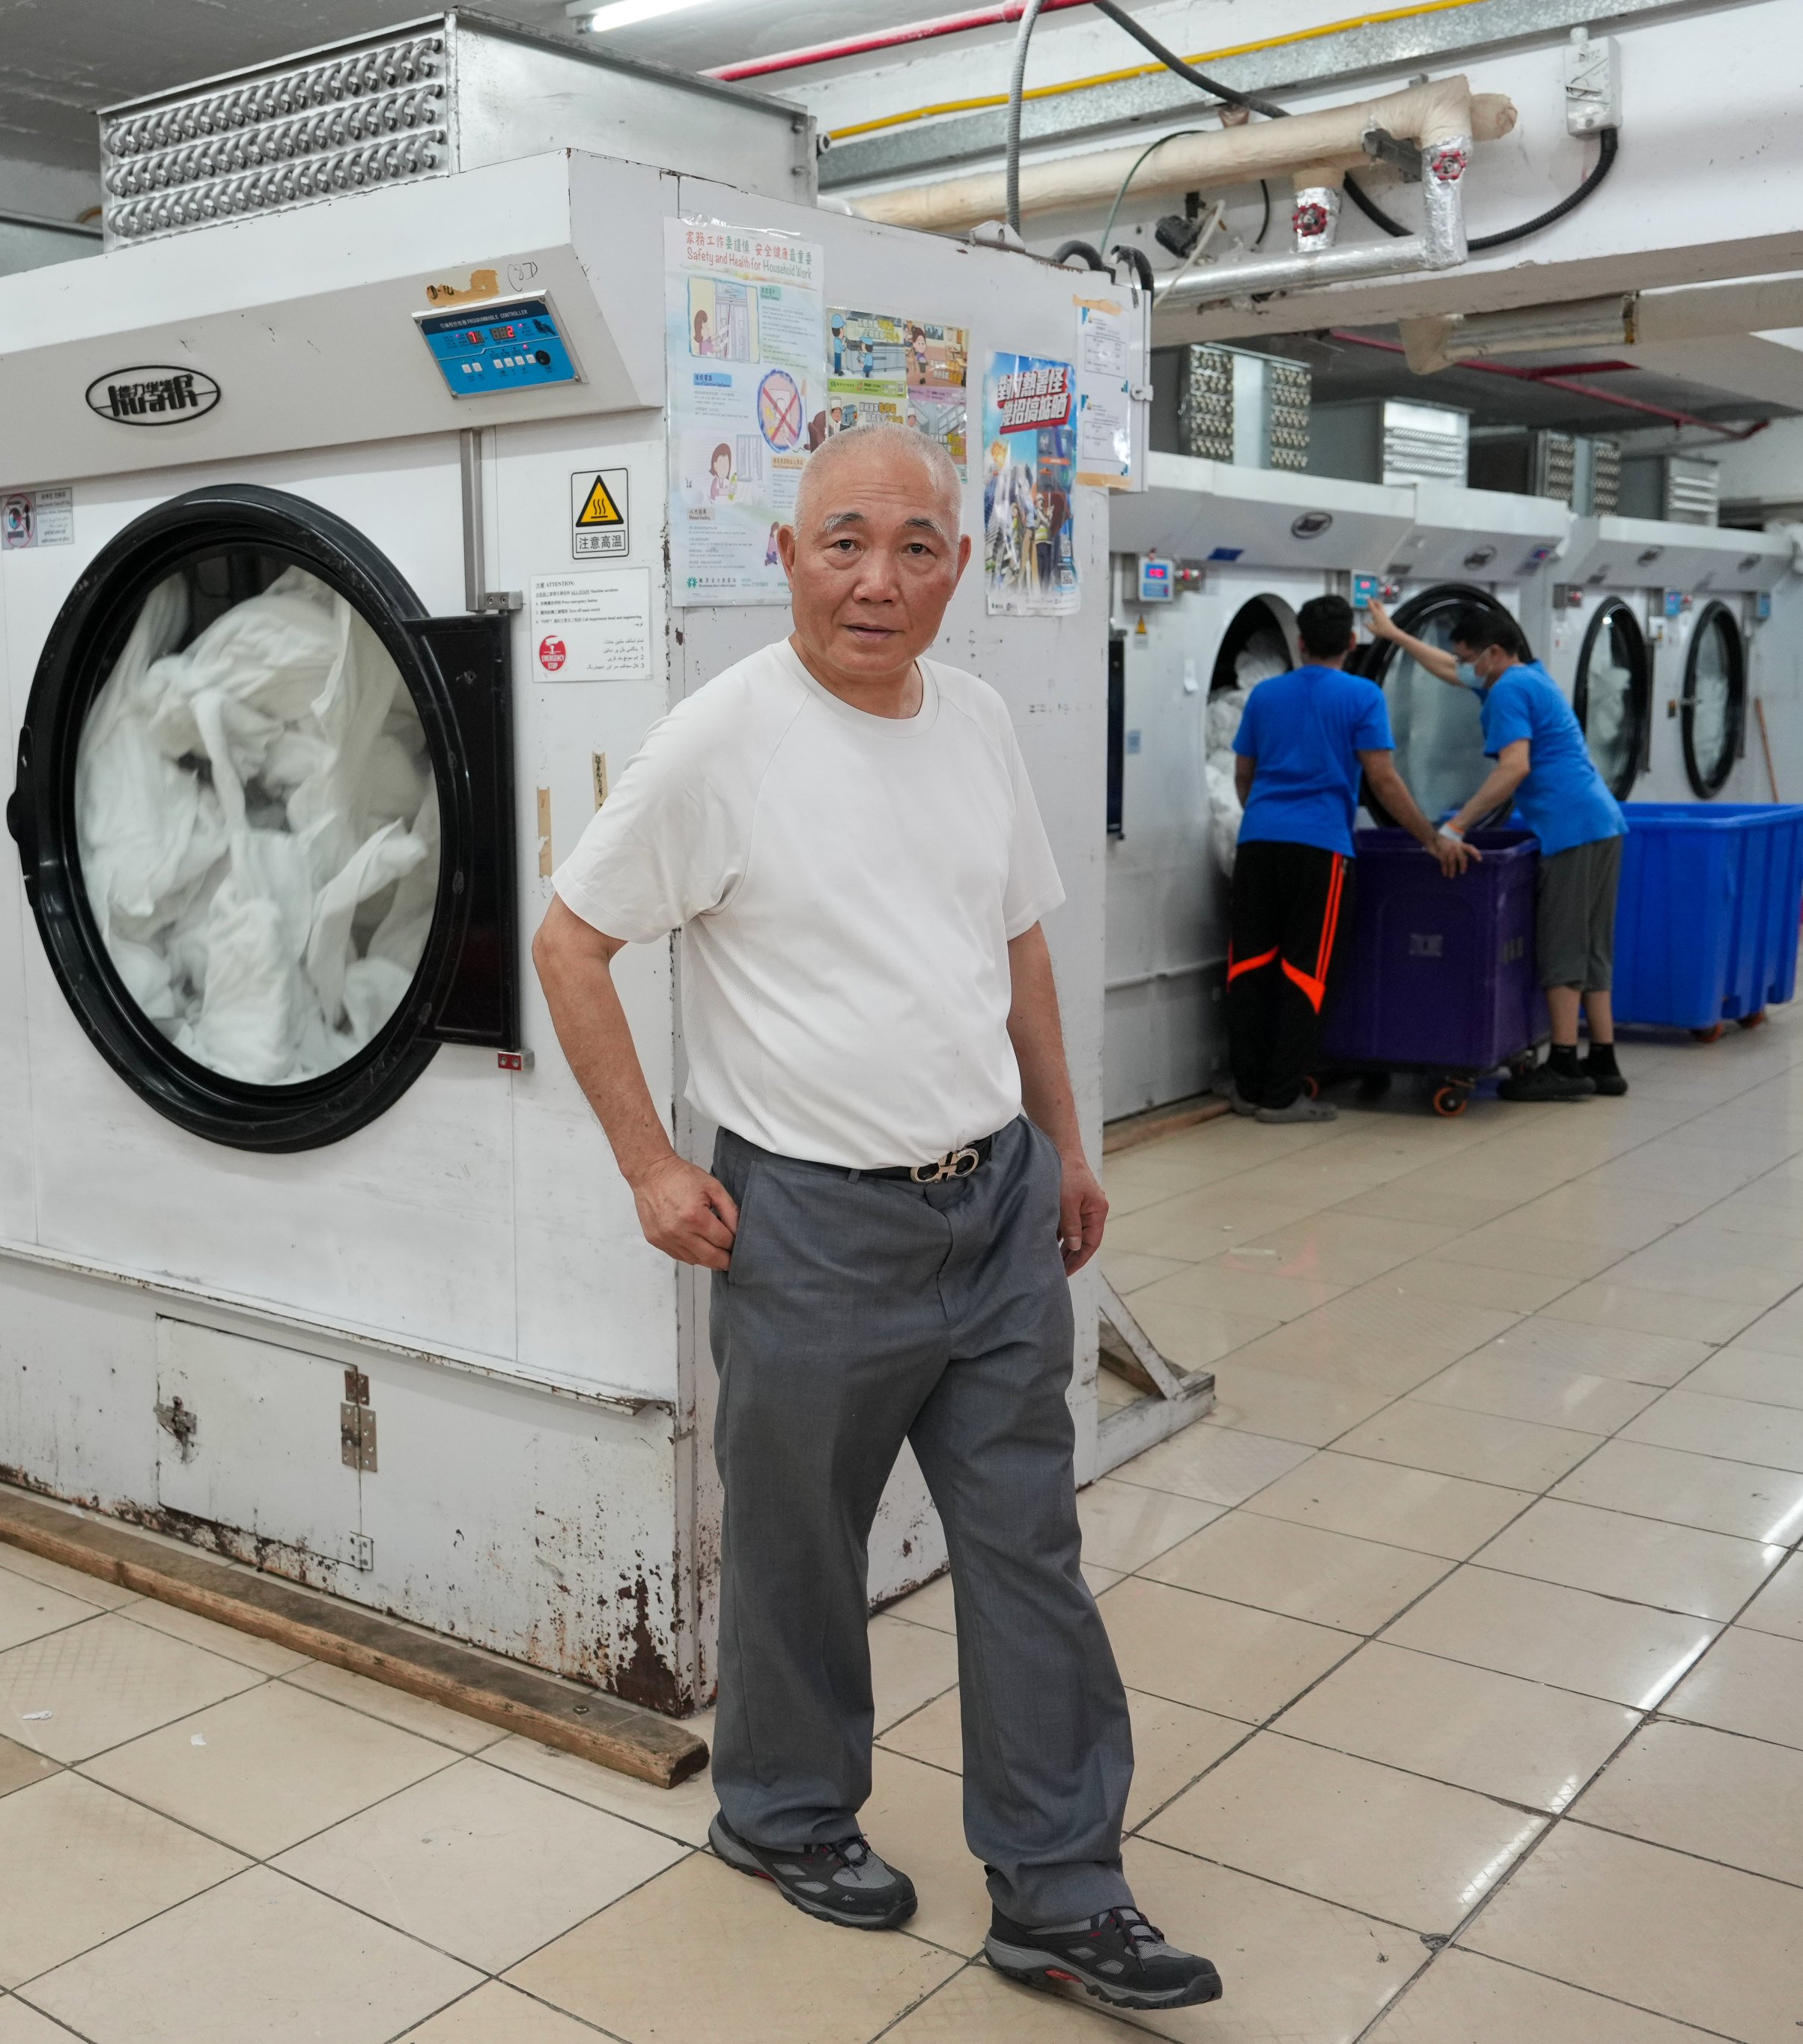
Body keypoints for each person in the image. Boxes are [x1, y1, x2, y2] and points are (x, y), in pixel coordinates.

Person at [532, 423, 1221, 2016]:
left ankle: (1059, 1892)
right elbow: (572, 948)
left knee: (1026, 1547)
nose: (877, 579)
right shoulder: (717, 744)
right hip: (810, 1227)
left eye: (914, 547)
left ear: (956, 572)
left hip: (988, 1213)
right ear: (784, 556)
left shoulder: (973, 719)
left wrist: (1064, 1142)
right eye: (843, 541)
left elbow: (1018, 950)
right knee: (794, 1551)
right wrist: (650, 1165)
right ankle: (778, 1816)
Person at [1226, 597, 1476, 1124]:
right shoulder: (1362, 696)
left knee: (1248, 963)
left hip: (1257, 841)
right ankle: (1281, 1096)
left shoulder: (1265, 695)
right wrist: (1431, 838)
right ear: (1351, 643)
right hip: (1320, 848)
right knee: (1305, 968)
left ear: (1299, 643)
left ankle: (1247, 1087)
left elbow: (1243, 775)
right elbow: (1382, 779)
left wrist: (1266, 817)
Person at [1368, 599, 1629, 1098]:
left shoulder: (1507, 690)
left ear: (1491, 652)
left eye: (1468, 656)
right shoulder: (1525, 676)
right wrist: (1394, 634)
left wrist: (1456, 827)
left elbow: (1514, 768)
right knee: (1593, 945)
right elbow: (1448, 670)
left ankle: (1564, 1066)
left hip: (1571, 828)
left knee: (1561, 946)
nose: (1462, 665)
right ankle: (1604, 1061)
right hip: (1601, 821)